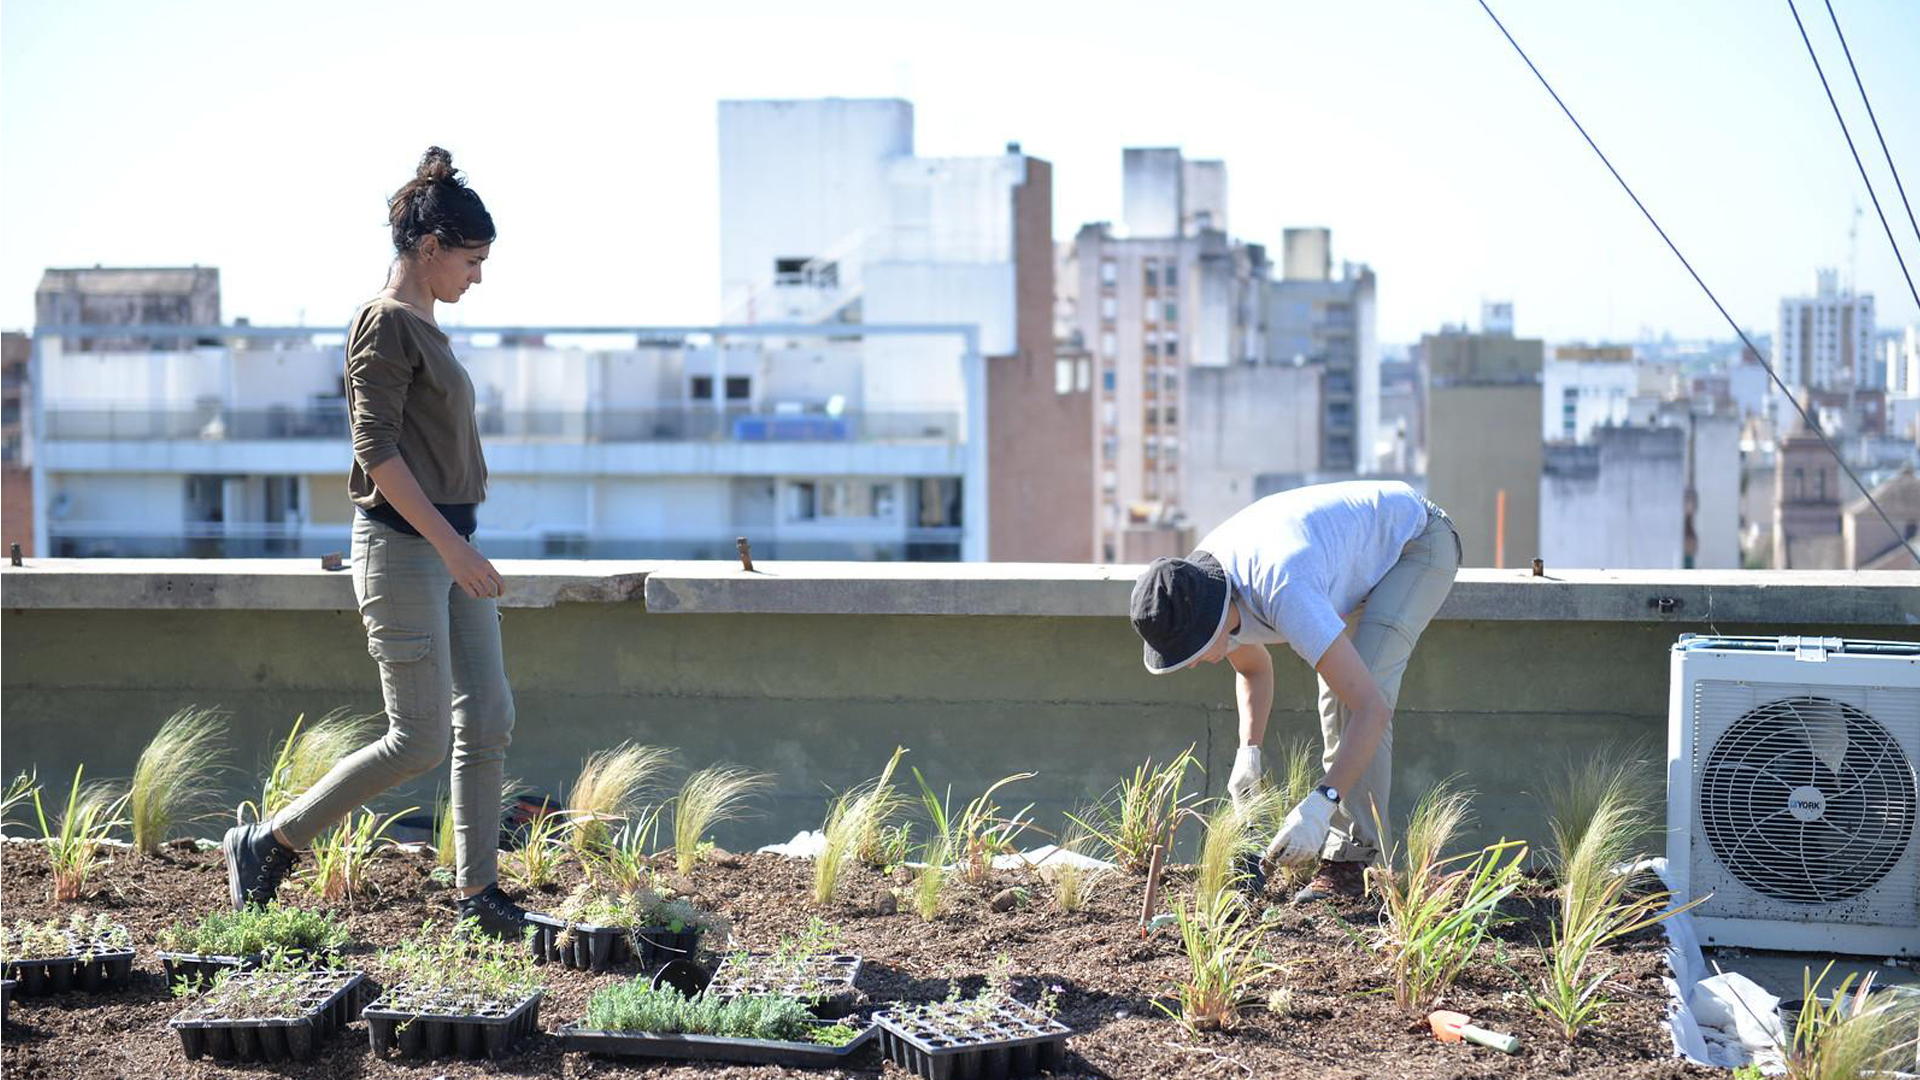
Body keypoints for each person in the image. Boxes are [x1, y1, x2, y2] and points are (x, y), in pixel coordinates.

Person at [223, 147, 525, 935]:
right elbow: (376, 451)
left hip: (451, 545)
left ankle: (477, 896)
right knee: (419, 737)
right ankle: (267, 842)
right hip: (405, 550)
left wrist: (461, 545)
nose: (478, 277)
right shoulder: (385, 322)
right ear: (429, 250)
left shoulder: (423, 324)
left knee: (487, 716)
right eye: (471, 259)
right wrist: (453, 551)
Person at [1128, 480, 1461, 902]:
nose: (1191, 663)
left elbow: (1371, 710)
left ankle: (1353, 865)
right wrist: (1248, 753)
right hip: (1353, 558)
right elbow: (1252, 670)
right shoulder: (1203, 584)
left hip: (1416, 543)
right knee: (1339, 701)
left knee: (1354, 696)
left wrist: (1321, 803)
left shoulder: (1282, 588)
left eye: (1190, 652)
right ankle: (1337, 845)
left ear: (1211, 621)